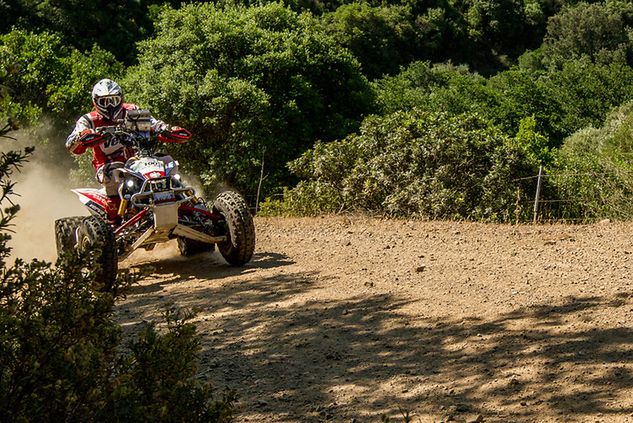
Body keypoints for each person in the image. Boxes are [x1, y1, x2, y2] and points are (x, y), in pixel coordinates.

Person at [66, 78, 190, 224]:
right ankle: (114, 220)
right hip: (107, 164)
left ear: (121, 99)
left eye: (114, 100)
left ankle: (188, 206)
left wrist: (168, 130)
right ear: (95, 103)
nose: (110, 105)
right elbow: (71, 144)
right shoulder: (89, 120)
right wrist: (83, 136)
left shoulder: (132, 111)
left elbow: (154, 124)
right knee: (113, 174)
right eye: (104, 102)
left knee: (168, 162)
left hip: (139, 160)